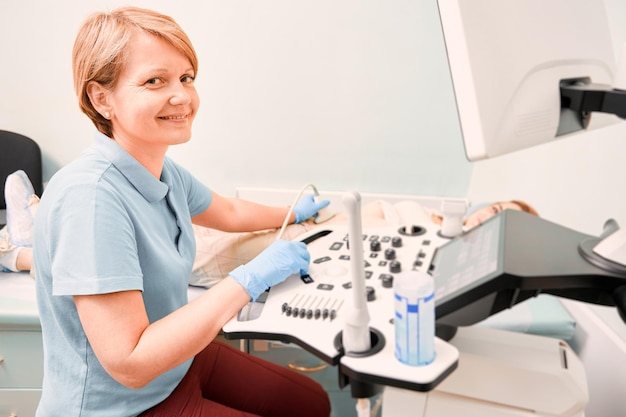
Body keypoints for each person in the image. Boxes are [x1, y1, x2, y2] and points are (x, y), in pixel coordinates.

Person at [32, 7, 331, 417]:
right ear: (102, 99)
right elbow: (131, 363)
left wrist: (293, 212)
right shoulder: (91, 197)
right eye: (155, 81)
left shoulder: (160, 169)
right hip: (120, 404)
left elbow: (227, 210)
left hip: (175, 365)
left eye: (186, 78)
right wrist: (249, 278)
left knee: (310, 402)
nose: (182, 96)